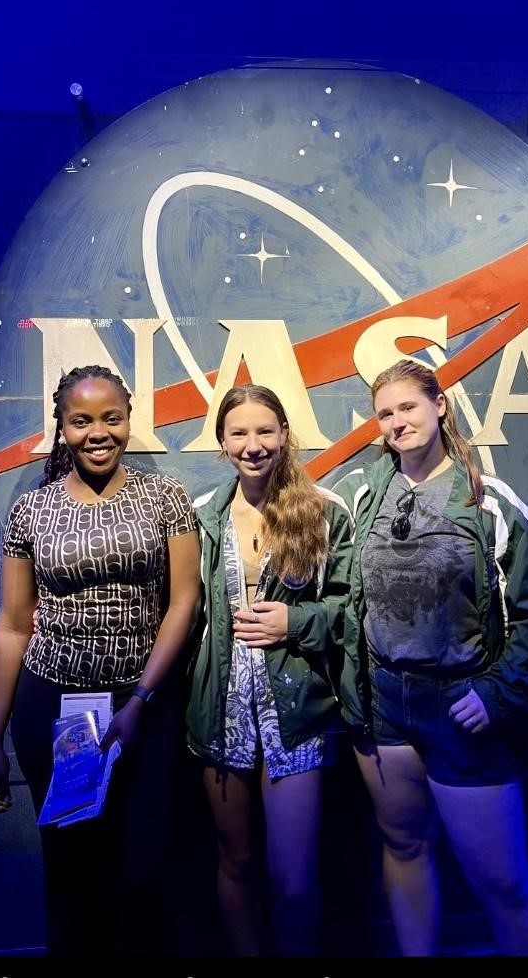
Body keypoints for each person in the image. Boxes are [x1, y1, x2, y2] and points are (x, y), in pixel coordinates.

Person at [333, 358, 528, 957]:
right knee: (404, 847)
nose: (397, 421)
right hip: (383, 709)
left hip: (461, 708)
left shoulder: (493, 504)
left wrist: (497, 693)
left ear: (440, 406)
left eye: (408, 406)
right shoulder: (364, 497)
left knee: (502, 881)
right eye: (385, 413)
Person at [0, 363, 201, 957]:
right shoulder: (31, 512)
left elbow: (185, 602)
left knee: (145, 871)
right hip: (56, 710)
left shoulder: (166, 497)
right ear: (62, 427)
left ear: (128, 421)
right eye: (81, 421)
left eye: (111, 418)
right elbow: (13, 625)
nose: (97, 433)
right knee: (73, 873)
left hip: (144, 706)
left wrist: (143, 700)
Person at [185, 384, 353, 957]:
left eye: (265, 431)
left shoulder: (325, 511)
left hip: (297, 706)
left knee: (294, 879)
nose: (253, 446)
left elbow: (354, 609)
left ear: (284, 435)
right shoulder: (201, 516)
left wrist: (294, 622)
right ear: (221, 442)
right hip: (219, 708)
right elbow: (182, 609)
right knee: (235, 860)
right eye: (239, 433)